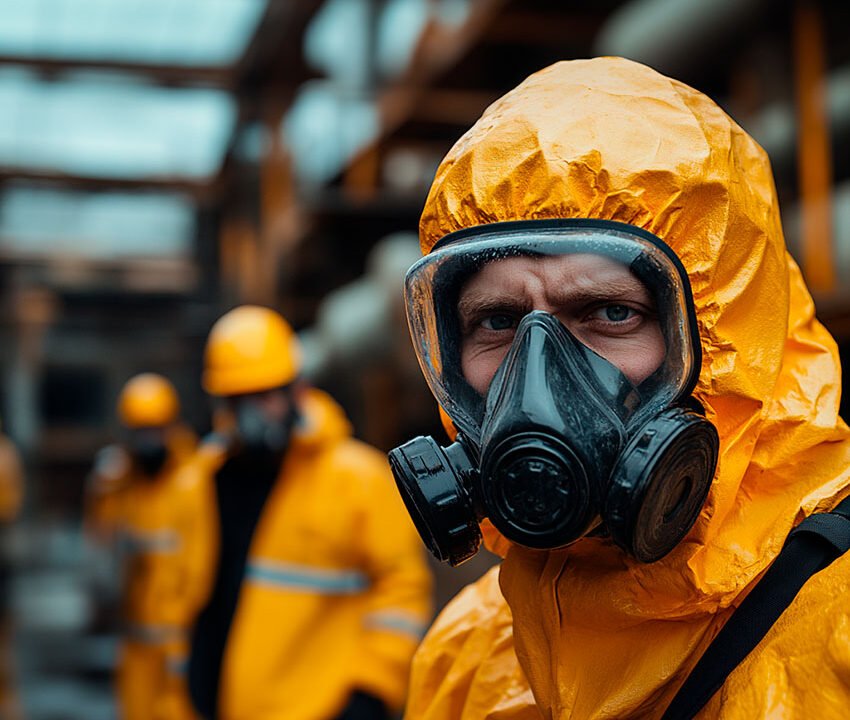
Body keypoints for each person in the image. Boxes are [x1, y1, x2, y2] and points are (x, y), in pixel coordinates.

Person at [388, 57, 850, 719]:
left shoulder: (835, 639)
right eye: (496, 321)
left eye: (610, 312)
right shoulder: (464, 657)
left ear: (724, 334)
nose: (538, 381)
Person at [185, 305, 432, 720]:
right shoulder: (207, 476)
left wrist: (371, 692)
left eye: (264, 396)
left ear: (296, 390)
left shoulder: (358, 478)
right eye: (238, 400)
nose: (251, 415)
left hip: (320, 708)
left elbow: (402, 591)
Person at [85, 373, 201, 720]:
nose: (148, 441)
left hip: (181, 643)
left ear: (172, 426)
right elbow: (101, 553)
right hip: (135, 641)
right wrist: (103, 490)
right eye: (140, 432)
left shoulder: (195, 478)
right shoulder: (119, 482)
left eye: (156, 430)